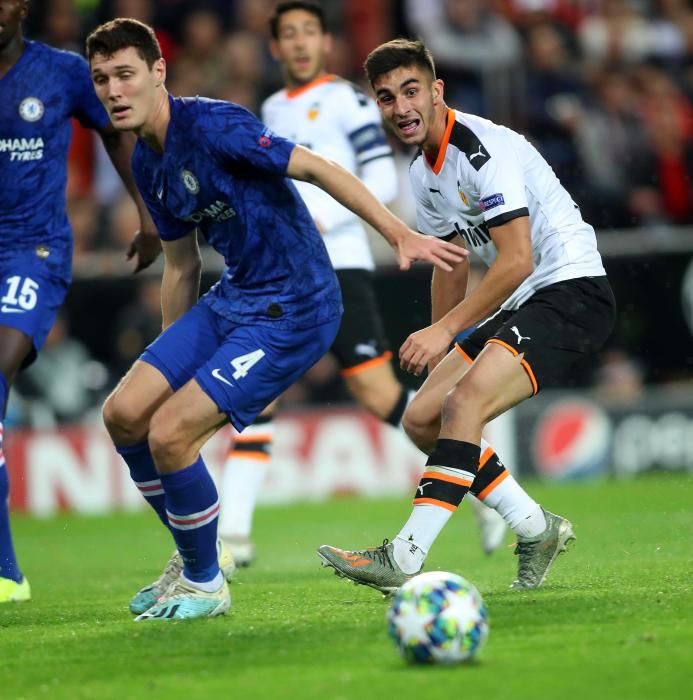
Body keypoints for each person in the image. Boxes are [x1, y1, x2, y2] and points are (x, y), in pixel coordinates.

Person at [86, 19, 465, 622]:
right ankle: (193, 559)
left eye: (126, 74)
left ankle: (207, 582)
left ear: (159, 73)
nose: (113, 90)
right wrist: (168, 362)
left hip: (297, 304)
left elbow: (316, 168)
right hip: (236, 295)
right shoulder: (147, 164)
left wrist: (396, 232)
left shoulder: (212, 124)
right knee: (127, 413)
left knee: (170, 435)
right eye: (101, 79)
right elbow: (182, 267)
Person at [318, 39, 616, 593]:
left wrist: (442, 331)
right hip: (523, 297)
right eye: (386, 98)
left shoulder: (482, 149)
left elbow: (518, 258)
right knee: (422, 417)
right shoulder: (421, 172)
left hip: (572, 290)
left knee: (465, 405)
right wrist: (441, 348)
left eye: (411, 91)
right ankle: (534, 526)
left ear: (436, 91)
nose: (401, 107)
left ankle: (404, 557)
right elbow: (451, 266)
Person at [219, 0, 507, 568]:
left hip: (338, 265)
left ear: (326, 44)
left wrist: (322, 218)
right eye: (289, 35)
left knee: (382, 397)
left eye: (310, 33)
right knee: (258, 392)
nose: (300, 43)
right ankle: (233, 536)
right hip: (283, 271)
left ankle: (481, 482)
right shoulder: (272, 106)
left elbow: (378, 174)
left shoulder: (349, 103)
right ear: (274, 48)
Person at [0, 0, 160, 604]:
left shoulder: (62, 72)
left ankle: (5, 575)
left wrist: (146, 216)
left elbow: (117, 137)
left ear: (22, 7)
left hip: (30, 251)